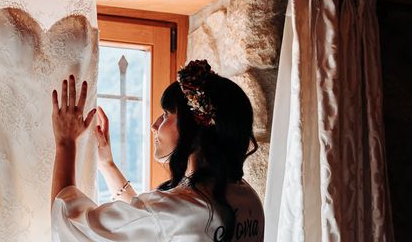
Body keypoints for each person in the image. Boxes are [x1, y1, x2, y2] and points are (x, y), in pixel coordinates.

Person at [51, 59, 264, 241]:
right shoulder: (248, 198)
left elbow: (70, 225)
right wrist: (107, 164)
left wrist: (65, 142)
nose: (154, 126)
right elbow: (150, 222)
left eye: (165, 115)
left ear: (194, 129)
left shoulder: (178, 208)